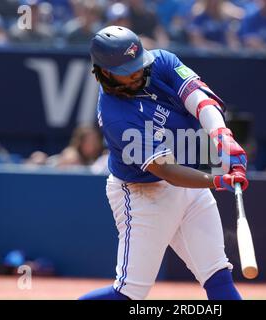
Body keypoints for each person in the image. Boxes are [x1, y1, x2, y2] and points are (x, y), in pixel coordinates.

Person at [79, 26, 248, 300]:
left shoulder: (162, 62)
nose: (137, 74)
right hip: (143, 194)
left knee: (218, 277)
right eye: (127, 72)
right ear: (105, 72)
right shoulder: (116, 116)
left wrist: (222, 136)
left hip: (189, 182)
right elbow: (166, 170)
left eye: (138, 66)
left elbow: (200, 100)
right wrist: (217, 180)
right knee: (129, 294)